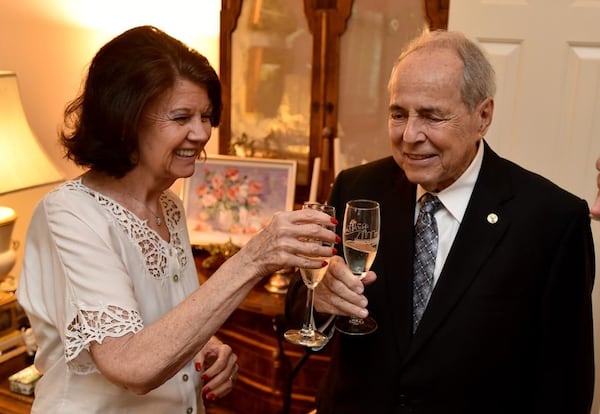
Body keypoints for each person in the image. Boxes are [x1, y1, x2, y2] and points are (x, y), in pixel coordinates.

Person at [16, 26, 338, 414]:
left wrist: (208, 349)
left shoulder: (170, 206)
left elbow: (167, 320)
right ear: (125, 118)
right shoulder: (69, 214)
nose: (201, 133)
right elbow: (130, 365)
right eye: (182, 116)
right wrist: (253, 258)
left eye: (206, 116)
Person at [286, 29, 595, 413]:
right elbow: (300, 304)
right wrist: (322, 299)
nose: (410, 135)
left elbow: (564, 383)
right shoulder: (357, 187)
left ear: (483, 116)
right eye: (398, 114)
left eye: (432, 116)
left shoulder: (552, 219)